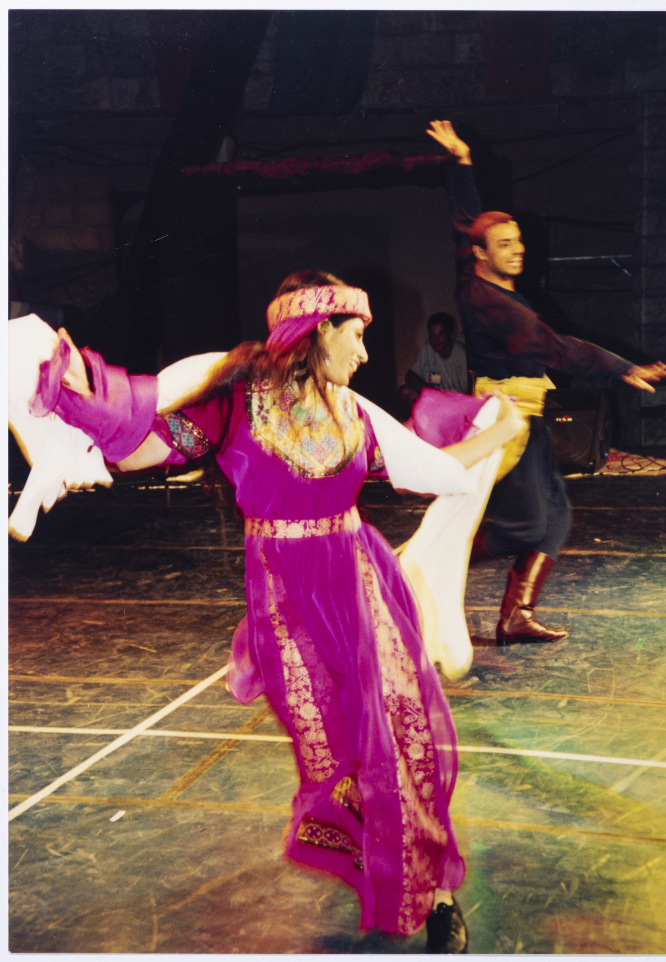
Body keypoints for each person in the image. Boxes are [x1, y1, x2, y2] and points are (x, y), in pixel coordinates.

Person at [22, 270, 525, 951]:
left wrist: (502, 429)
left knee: (398, 735)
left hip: (363, 590)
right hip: (288, 608)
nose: (365, 353)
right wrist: (79, 407)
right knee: (337, 758)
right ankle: (383, 866)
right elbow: (144, 448)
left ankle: (433, 891)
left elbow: (434, 468)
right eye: (356, 335)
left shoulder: (356, 414)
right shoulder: (233, 406)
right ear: (318, 331)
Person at [426, 119, 666, 645]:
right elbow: (552, 345)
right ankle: (428, 567)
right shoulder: (489, 301)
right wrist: (621, 367)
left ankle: (515, 616)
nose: (517, 249)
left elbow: (465, 222)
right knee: (522, 525)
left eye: (518, 240)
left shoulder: (474, 266)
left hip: (529, 416)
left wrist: (461, 164)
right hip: (506, 419)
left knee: (556, 518)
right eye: (505, 244)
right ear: (483, 254)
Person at [404, 312, 470, 404]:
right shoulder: (428, 349)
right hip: (435, 399)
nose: (436, 339)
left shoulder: (461, 354)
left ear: (450, 334)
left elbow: (466, 394)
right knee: (404, 392)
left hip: (455, 403)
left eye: (441, 334)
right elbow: (410, 376)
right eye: (432, 335)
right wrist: (432, 390)